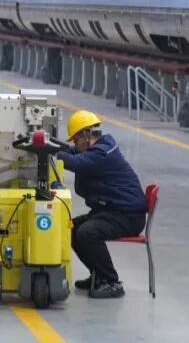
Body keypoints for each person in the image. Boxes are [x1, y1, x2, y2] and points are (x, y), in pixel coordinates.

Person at [57, 110, 147, 299]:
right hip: (111, 211)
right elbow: (72, 152)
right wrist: (51, 145)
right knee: (71, 228)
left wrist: (49, 152)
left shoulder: (102, 153)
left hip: (127, 215)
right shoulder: (96, 148)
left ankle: (112, 282)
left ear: (86, 136)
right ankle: (97, 275)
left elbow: (75, 162)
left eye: (76, 140)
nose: (75, 144)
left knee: (87, 233)